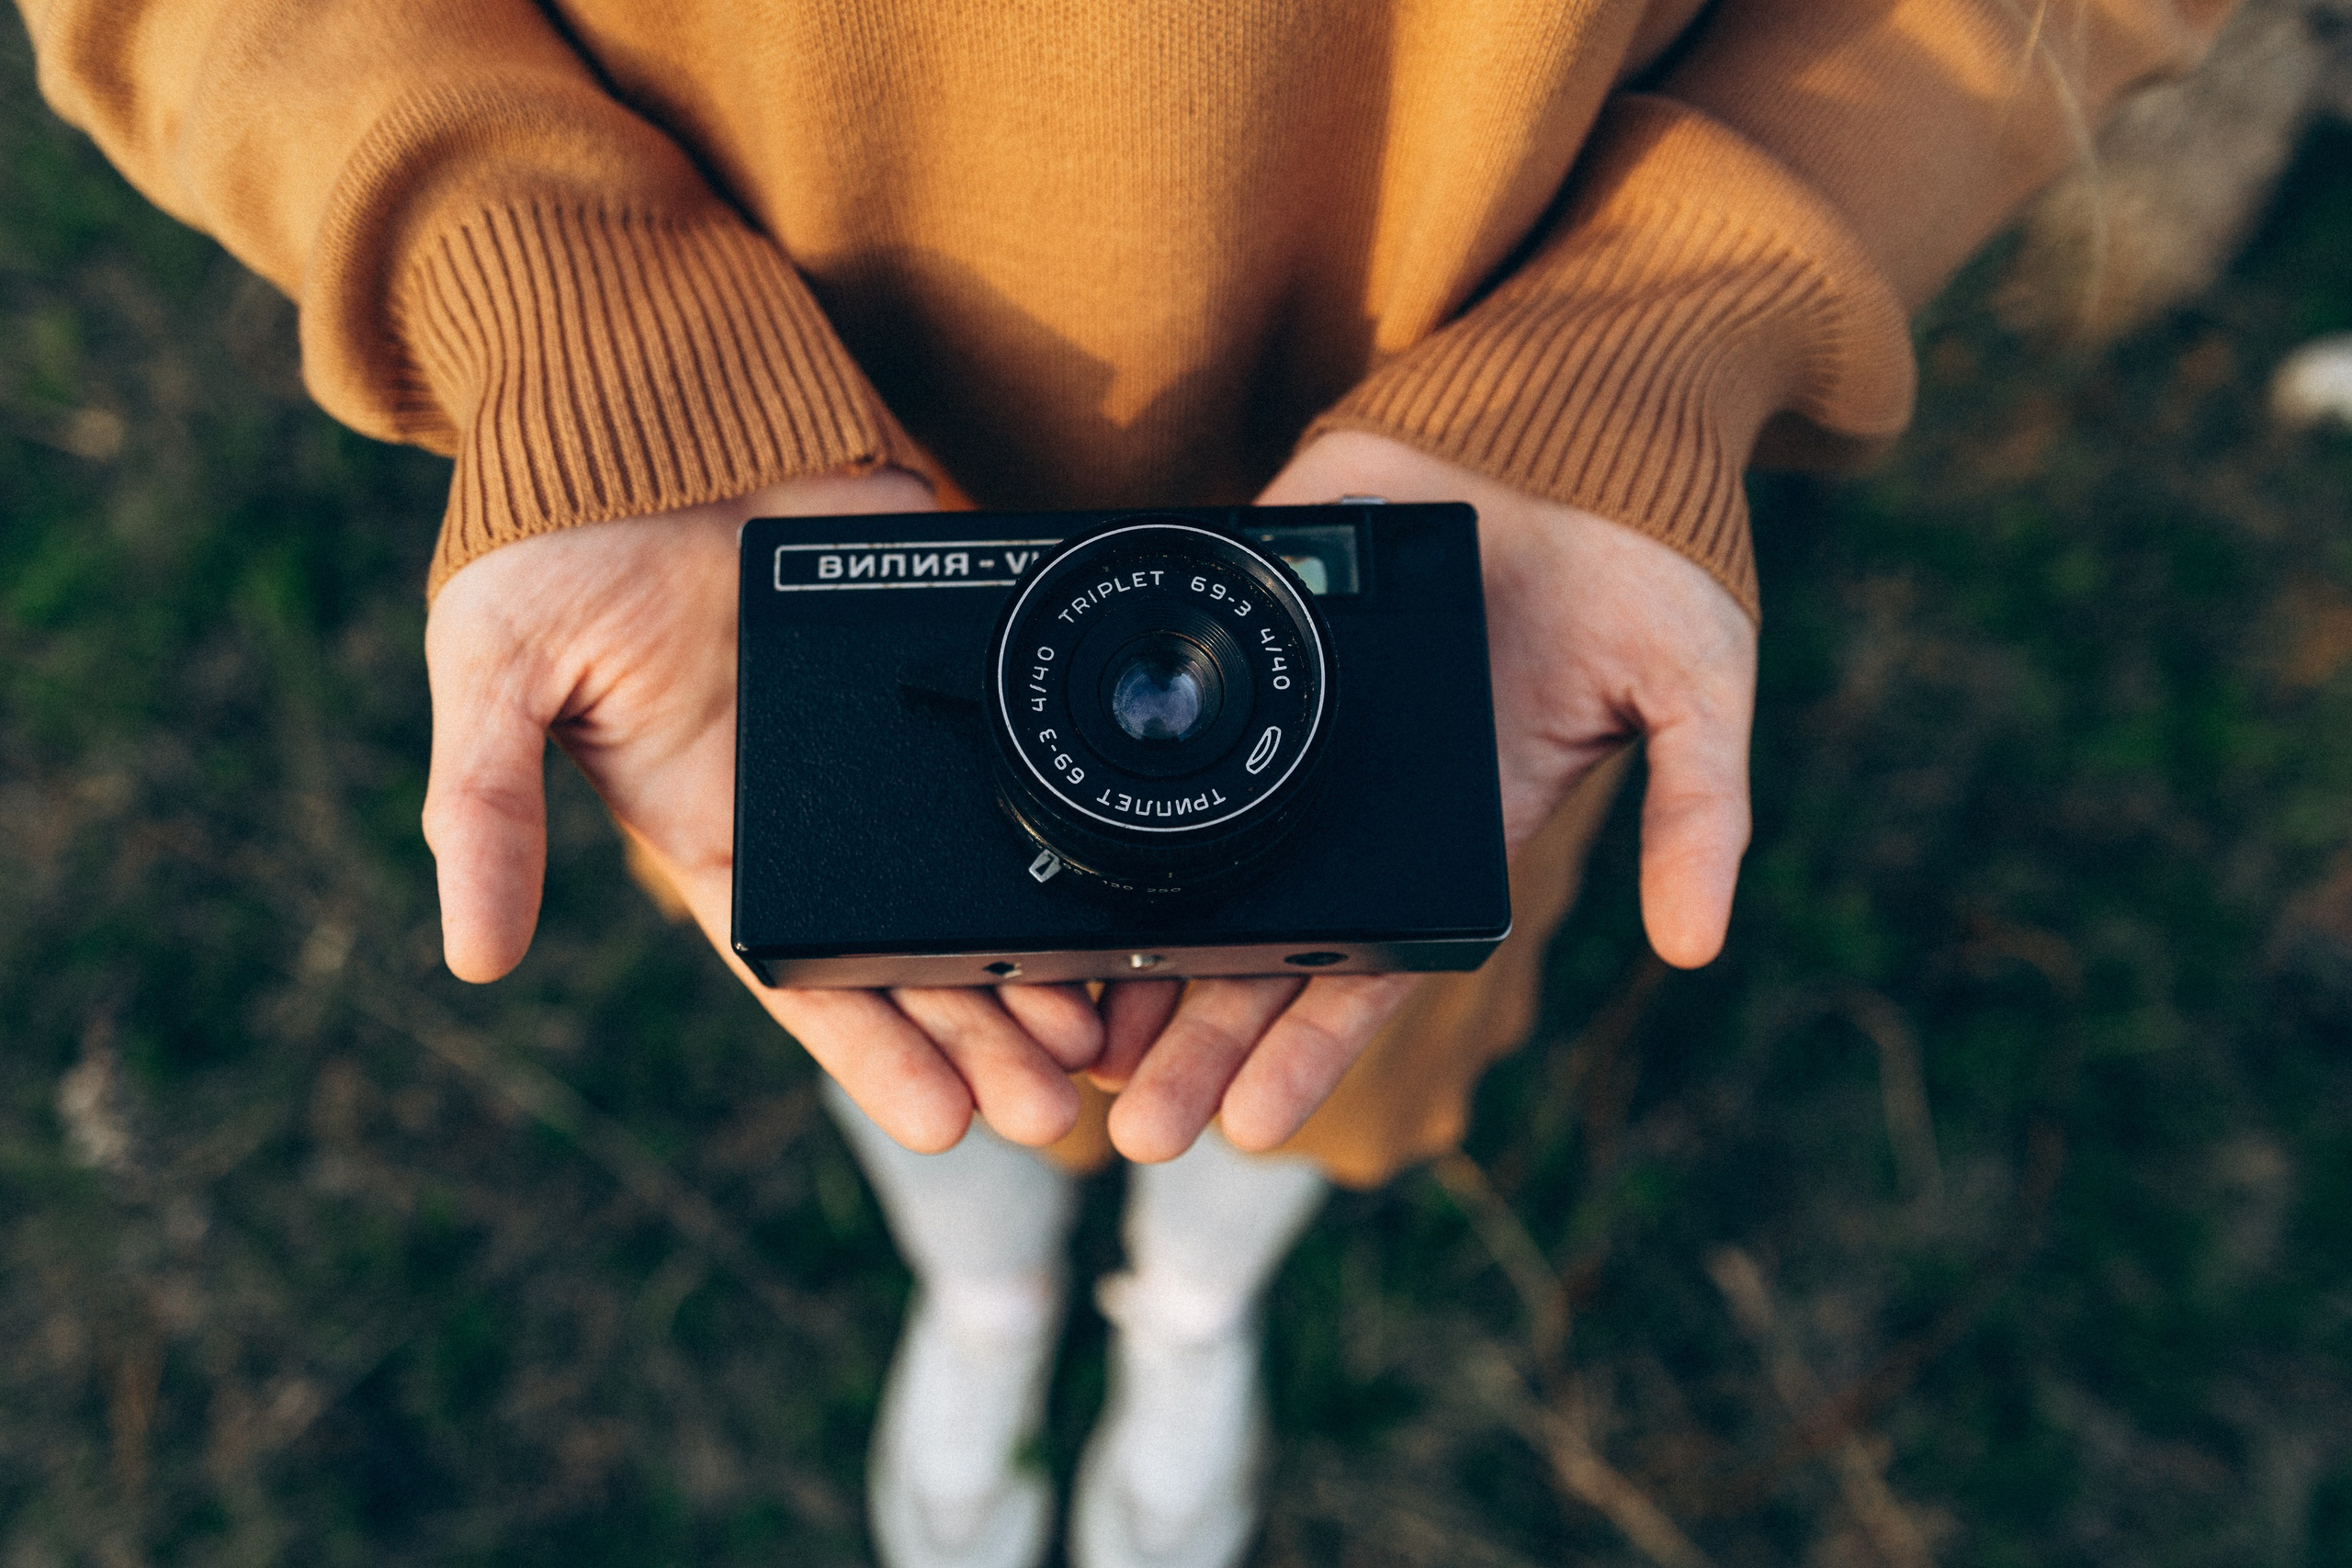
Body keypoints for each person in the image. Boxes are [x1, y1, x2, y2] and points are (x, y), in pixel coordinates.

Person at [18, 1, 2233, 1563]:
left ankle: (1190, 1304)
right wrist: (573, 319)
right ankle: (986, 1290)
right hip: (773, 543)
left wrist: (1664, 323)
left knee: (1317, 1050)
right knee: (897, 1010)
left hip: (1462, 565)